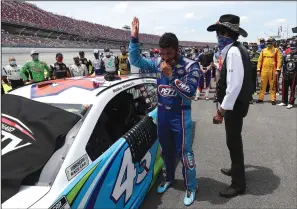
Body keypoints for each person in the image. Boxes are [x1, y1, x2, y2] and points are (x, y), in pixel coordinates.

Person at [129, 17, 201, 206]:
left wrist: (171, 76)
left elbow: (191, 92)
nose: (165, 58)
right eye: (162, 53)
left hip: (181, 115)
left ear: (177, 50)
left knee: (185, 152)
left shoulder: (191, 66)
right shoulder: (158, 62)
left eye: (168, 53)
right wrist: (134, 38)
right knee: (166, 150)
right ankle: (169, 177)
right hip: (162, 114)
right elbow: (135, 60)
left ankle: (191, 186)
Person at [208, 14, 253, 198]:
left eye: (219, 32)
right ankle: (236, 171)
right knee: (233, 140)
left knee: (233, 141)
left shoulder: (233, 52)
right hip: (235, 104)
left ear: (226, 32)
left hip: (234, 106)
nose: (217, 36)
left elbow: (234, 86)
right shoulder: (234, 49)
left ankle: (238, 184)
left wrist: (221, 110)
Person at [256, 38, 282, 105]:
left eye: (270, 43)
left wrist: (277, 69)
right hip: (264, 70)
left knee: (272, 85)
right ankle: (260, 98)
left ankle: (273, 99)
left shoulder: (276, 50)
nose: (268, 44)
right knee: (262, 84)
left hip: (272, 70)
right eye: (267, 43)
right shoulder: (263, 50)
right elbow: (260, 60)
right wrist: (258, 69)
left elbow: (279, 60)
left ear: (272, 43)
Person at [278, 41, 297, 109]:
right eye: (290, 47)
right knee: (284, 88)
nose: (292, 50)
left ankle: (291, 102)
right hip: (286, 73)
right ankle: (284, 101)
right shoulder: (286, 54)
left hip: (294, 74)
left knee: (293, 89)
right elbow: (284, 63)